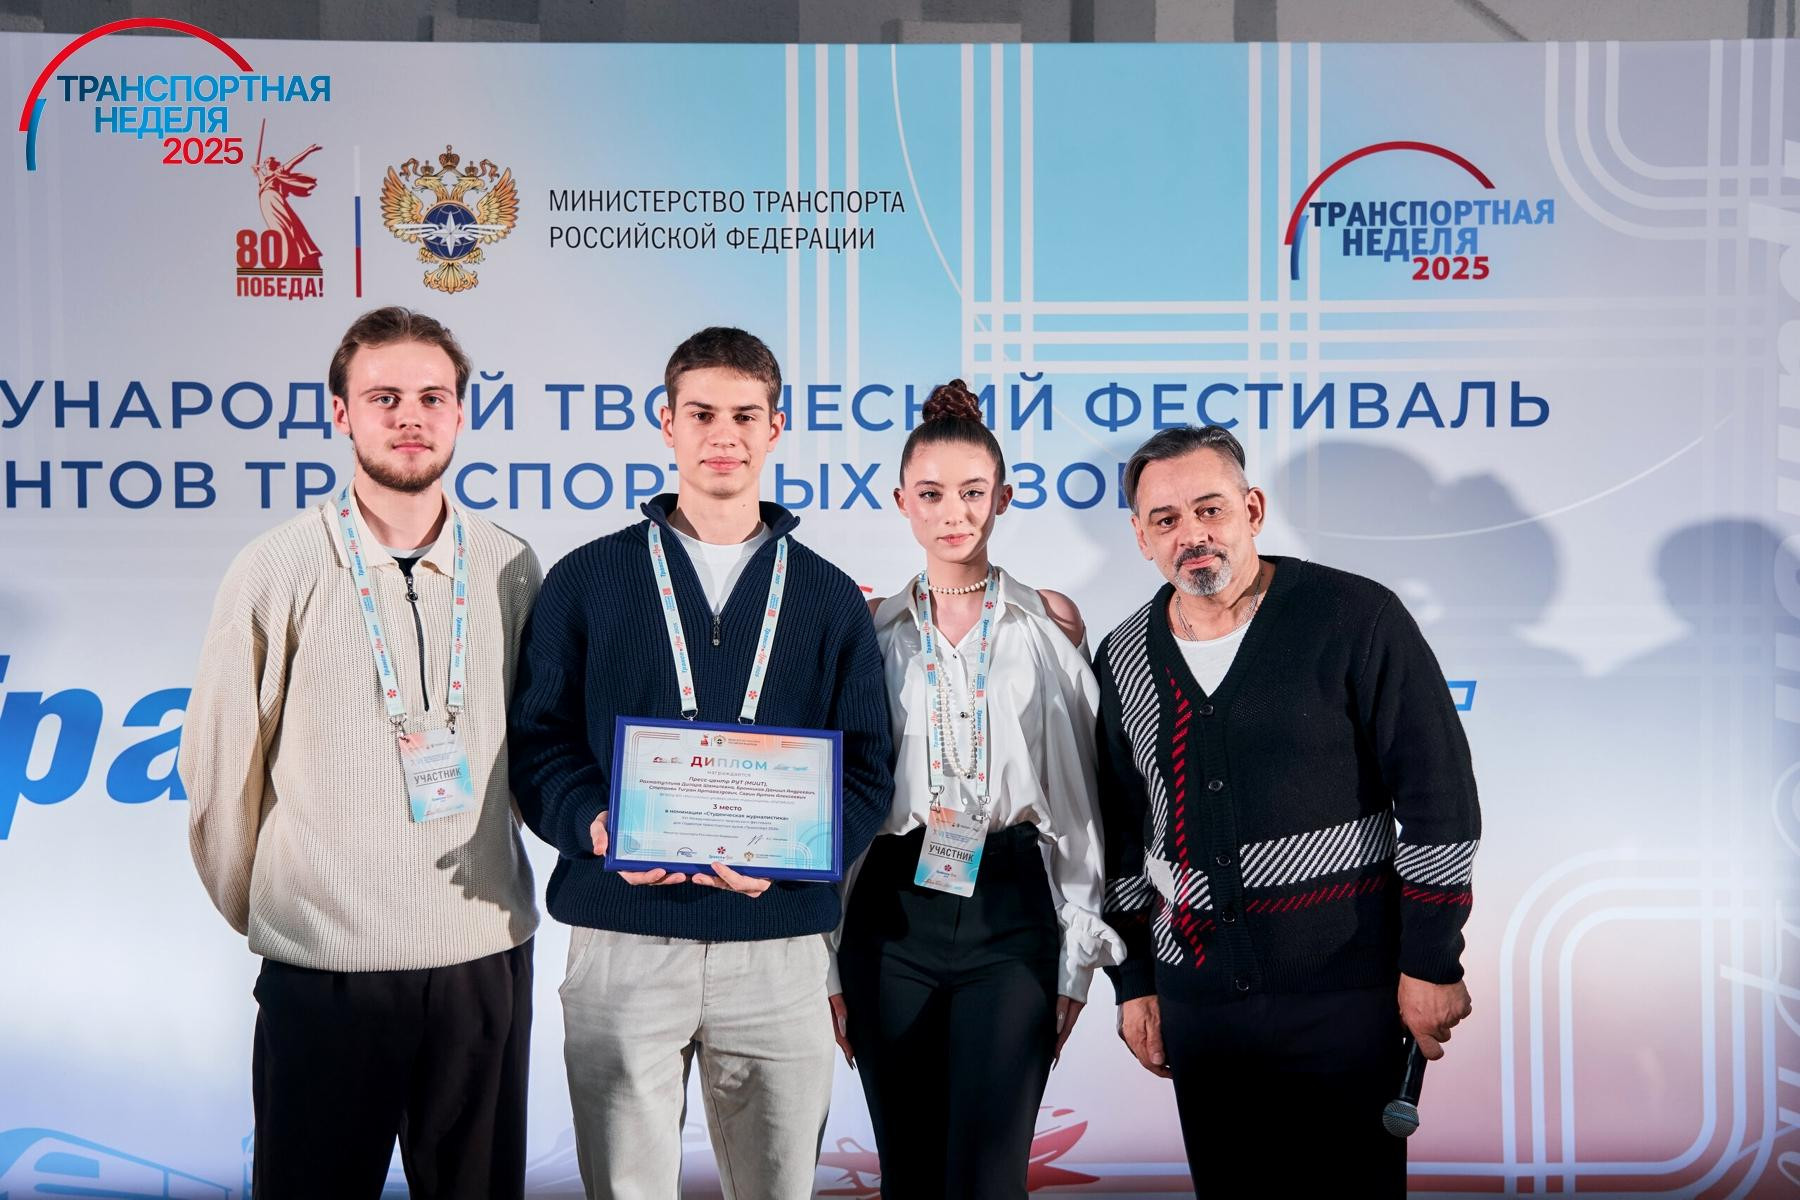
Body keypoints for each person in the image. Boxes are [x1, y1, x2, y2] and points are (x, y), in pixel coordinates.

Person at [508, 326, 893, 1200]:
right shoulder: (588, 578)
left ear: (776, 429)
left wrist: (797, 855)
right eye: (703, 413)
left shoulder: (828, 595)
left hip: (777, 943)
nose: (724, 435)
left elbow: (868, 769)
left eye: (745, 415)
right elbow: (538, 738)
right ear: (667, 424)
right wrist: (591, 822)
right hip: (623, 938)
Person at [181, 306, 541, 1200]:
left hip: (479, 958)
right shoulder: (277, 567)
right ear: (341, 412)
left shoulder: (510, 564)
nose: (410, 416)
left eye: (432, 397)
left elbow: (539, 751)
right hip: (324, 968)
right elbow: (221, 772)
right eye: (385, 398)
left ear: (461, 413)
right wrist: (287, 915)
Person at [1094, 424, 1480, 1195]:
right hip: (1200, 1007)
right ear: (1140, 537)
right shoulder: (1124, 655)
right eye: (1166, 519)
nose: (1192, 534)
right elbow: (1120, 837)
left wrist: (1430, 961)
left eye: (1210, 509)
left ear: (1253, 509)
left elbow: (1439, 800)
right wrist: (1134, 980)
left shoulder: (1355, 617)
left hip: (1348, 997)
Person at [830, 380, 1123, 1199]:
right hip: (890, 915)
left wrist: (1076, 960)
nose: (953, 513)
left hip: (1011, 910)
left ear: (1002, 497)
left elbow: (1077, 802)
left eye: (971, 492)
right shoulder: (869, 629)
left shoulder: (1047, 622)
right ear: (901, 502)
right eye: (931, 494)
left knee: (992, 1180)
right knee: (909, 1175)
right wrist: (826, 961)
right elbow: (843, 800)